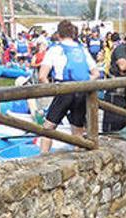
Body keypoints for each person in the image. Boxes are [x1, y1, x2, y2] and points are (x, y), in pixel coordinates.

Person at [38, 20, 99, 154]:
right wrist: (84, 82)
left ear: (58, 34)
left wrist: (51, 90)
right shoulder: (82, 49)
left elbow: (42, 76)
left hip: (64, 89)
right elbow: (96, 73)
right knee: (77, 130)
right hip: (81, 91)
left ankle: (42, 157)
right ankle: (79, 158)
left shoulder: (55, 49)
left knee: (48, 128)